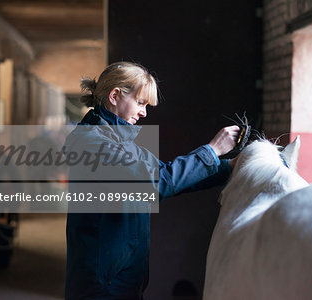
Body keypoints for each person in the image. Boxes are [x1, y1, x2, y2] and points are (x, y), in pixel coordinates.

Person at [64, 61, 239, 299]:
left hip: (121, 278)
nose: (144, 112)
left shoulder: (120, 143)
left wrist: (227, 168)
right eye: (140, 102)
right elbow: (155, 185)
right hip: (103, 285)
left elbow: (167, 174)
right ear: (115, 95)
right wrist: (211, 150)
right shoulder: (93, 144)